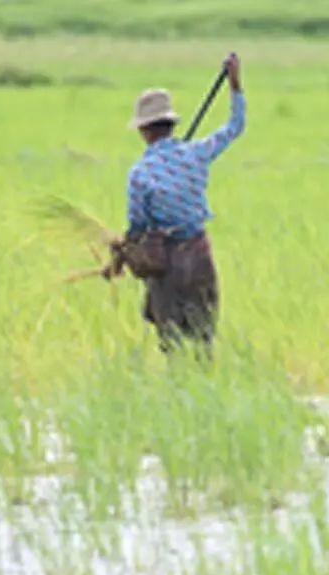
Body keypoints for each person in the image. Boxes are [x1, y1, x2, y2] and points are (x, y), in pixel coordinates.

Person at [123, 52, 246, 360]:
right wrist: (234, 85)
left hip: (167, 263)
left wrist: (122, 252)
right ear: (171, 125)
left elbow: (138, 225)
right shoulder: (196, 154)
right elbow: (235, 126)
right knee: (204, 339)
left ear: (144, 131)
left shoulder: (140, 174)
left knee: (172, 345)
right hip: (200, 255)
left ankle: (179, 395)